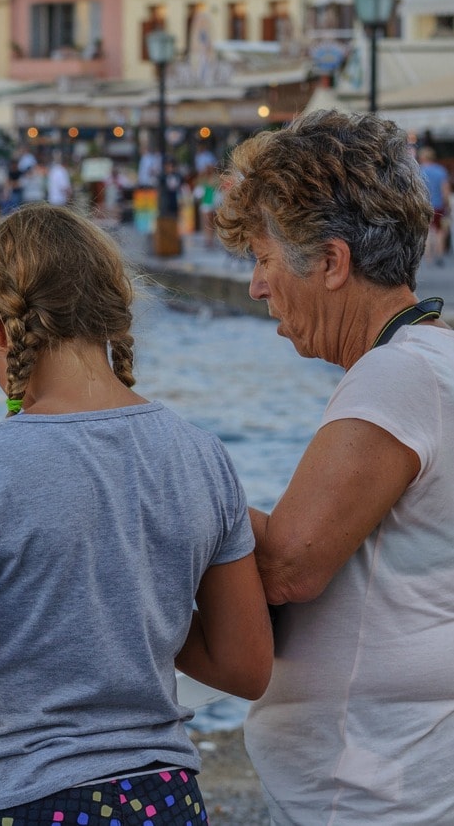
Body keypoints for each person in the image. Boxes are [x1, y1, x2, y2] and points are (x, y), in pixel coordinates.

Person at [0, 203, 272, 826]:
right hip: (165, 799)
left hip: (24, 800)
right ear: (112, 315)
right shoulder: (202, 454)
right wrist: (131, 613)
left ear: (0, 333)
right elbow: (244, 666)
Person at [215, 109, 454, 824]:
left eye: (262, 257)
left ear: (329, 262)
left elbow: (288, 566)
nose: (257, 286)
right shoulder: (432, 361)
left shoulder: (397, 375)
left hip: (375, 792)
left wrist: (168, 482)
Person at [418, 146, 450, 266]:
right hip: (438, 205)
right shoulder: (440, 170)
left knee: (426, 231)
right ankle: (439, 255)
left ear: (422, 157)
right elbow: (445, 190)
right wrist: (446, 204)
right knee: (439, 231)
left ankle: (428, 257)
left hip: (423, 205)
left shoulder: (418, 171)